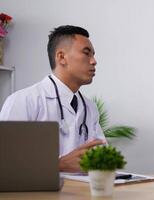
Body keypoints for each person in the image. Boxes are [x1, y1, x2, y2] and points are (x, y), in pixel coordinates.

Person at [0, 25, 106, 172]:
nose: (94, 61)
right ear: (61, 57)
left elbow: (102, 156)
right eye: (86, 53)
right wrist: (58, 165)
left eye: (93, 55)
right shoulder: (23, 101)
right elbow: (5, 163)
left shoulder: (90, 108)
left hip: (83, 193)